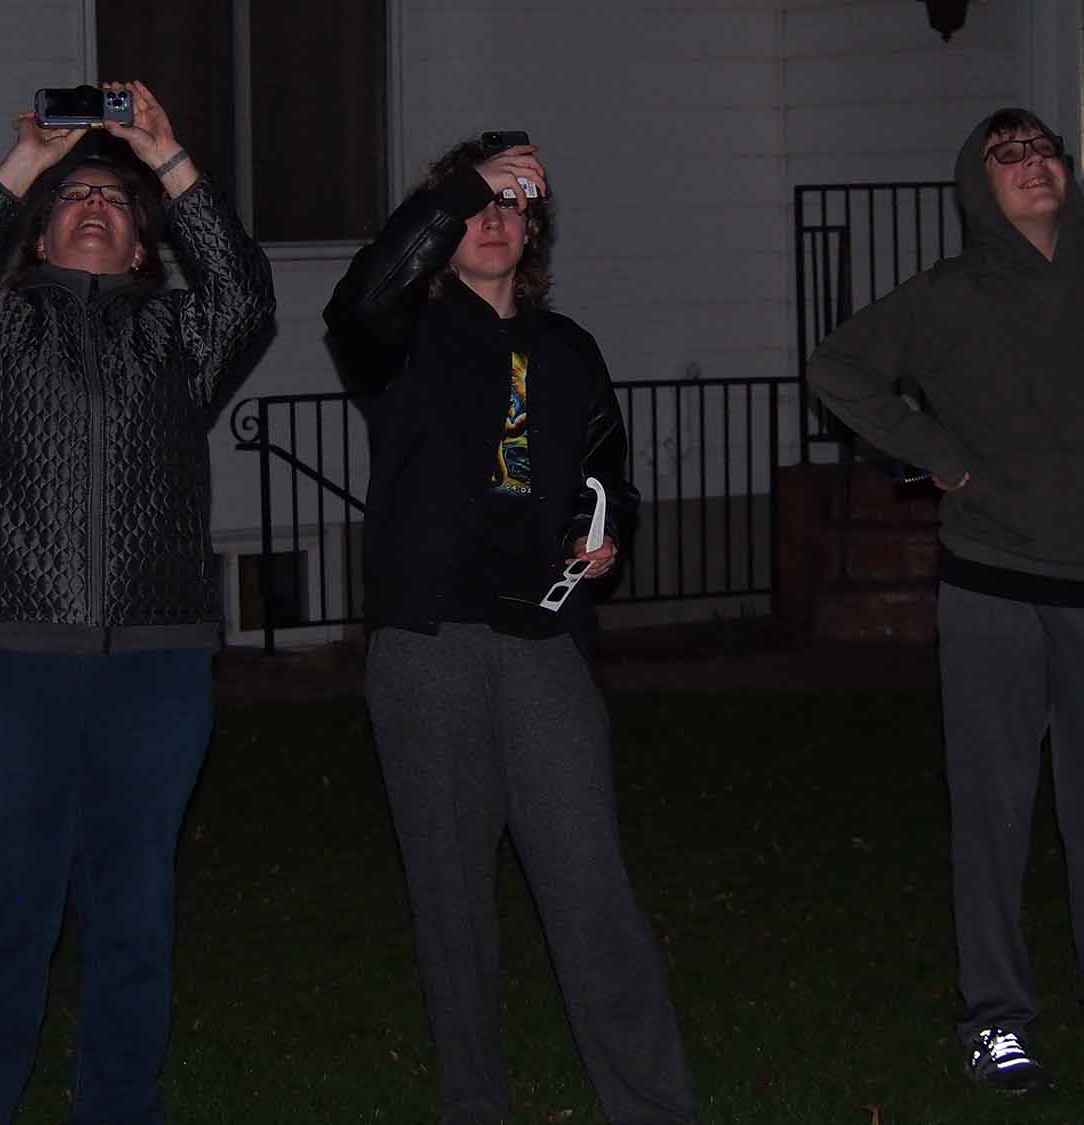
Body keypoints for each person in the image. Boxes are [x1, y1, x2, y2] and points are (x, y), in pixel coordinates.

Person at [806, 107, 1084, 1092]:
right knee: (991, 809)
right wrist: (941, 460)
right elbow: (839, 366)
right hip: (989, 588)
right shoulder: (947, 298)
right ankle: (995, 1018)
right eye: (1005, 158)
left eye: (1040, 150)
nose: (1029, 165)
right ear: (978, 189)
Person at [0, 81, 274, 1125]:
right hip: (8, 661)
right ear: (38, 234)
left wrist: (168, 158)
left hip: (153, 664)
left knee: (133, 915)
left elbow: (245, 296)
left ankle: (119, 1108)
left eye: (115, 199)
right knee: (11, 911)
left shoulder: (179, 341)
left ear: (146, 248)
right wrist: (26, 157)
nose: (95, 204)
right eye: (73, 197)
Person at [324, 137, 697, 1125]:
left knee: (589, 887)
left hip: (544, 643)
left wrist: (601, 528)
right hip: (427, 644)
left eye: (512, 206)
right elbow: (356, 296)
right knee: (452, 907)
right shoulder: (398, 333)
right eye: (476, 206)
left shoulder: (565, 346)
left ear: (533, 232)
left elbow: (604, 468)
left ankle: (652, 1105)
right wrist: (456, 189)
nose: (494, 220)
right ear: (440, 226)